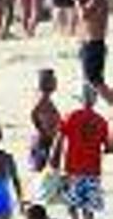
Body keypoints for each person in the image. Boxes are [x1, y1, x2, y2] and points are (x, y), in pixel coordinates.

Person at [50, 84, 110, 219]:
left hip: (72, 169)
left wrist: (54, 159)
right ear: (95, 100)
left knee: (71, 205)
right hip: (93, 171)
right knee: (89, 209)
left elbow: (59, 139)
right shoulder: (102, 121)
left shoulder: (70, 116)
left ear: (80, 100)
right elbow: (108, 148)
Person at [75, 0, 113, 104]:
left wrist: (77, 2)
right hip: (88, 44)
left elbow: (84, 15)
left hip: (94, 45)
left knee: (94, 80)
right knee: (88, 79)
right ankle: (88, 104)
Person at [29, 69, 61, 172]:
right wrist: (41, 129)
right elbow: (33, 113)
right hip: (44, 137)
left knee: (46, 162)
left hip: (48, 136)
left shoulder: (46, 98)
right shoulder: (43, 98)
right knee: (41, 164)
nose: (56, 83)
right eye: (54, 81)